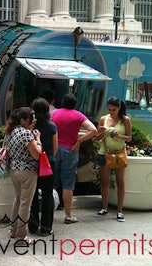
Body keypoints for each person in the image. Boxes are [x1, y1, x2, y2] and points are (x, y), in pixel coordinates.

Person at [52, 93, 97, 224]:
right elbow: (93, 130)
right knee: (68, 184)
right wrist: (79, 141)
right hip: (70, 151)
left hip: (54, 150)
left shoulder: (54, 113)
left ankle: (48, 213)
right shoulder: (78, 115)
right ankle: (68, 215)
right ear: (74, 104)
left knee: (51, 183)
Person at [6, 107, 42, 244]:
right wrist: (38, 139)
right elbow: (37, 154)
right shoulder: (27, 134)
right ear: (23, 120)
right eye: (31, 119)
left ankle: (13, 230)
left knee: (18, 200)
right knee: (25, 204)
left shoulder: (12, 131)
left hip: (14, 170)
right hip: (27, 171)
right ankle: (22, 235)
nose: (34, 122)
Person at [95, 96, 132, 222]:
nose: (111, 112)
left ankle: (120, 211)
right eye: (110, 109)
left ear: (119, 108)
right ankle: (104, 208)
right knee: (104, 182)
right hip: (104, 152)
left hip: (119, 153)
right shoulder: (103, 119)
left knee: (120, 182)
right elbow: (97, 138)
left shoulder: (125, 120)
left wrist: (118, 135)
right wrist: (101, 132)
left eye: (114, 110)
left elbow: (129, 138)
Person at [28, 97, 58, 236]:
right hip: (48, 163)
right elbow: (55, 148)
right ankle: (46, 228)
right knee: (47, 194)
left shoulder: (30, 127)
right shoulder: (52, 126)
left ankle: (33, 226)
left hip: (32, 163)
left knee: (32, 194)